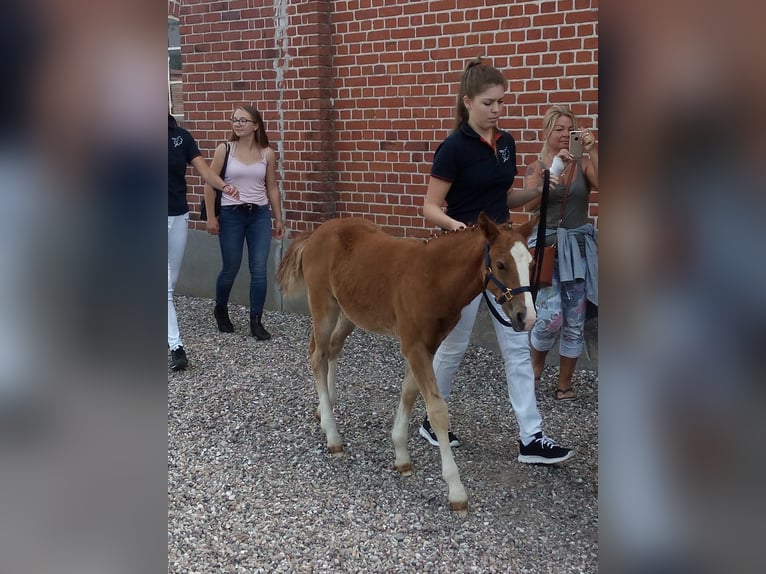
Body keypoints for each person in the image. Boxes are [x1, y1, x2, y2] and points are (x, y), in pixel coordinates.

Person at [420, 58, 574, 464]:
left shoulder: (505, 144)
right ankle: (430, 420)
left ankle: (531, 437)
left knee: (517, 345)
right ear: (468, 101)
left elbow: (502, 199)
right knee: (454, 344)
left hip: (504, 258)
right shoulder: (453, 148)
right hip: (469, 259)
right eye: (489, 102)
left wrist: (537, 191)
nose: (497, 109)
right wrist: (460, 231)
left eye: (501, 102)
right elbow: (431, 207)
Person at [523, 105, 598, 400]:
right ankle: (536, 366)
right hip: (548, 249)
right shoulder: (536, 166)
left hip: (578, 250)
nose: (566, 134)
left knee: (575, 319)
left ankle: (564, 385)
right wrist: (552, 171)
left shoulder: (585, 164)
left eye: (571, 129)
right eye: (559, 129)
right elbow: (528, 206)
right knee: (551, 316)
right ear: (546, 132)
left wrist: (594, 151)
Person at [204, 104, 285, 340]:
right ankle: (221, 309)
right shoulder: (225, 149)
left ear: (256, 125)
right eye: (235, 120)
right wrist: (211, 217)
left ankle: (256, 321)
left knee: (259, 270)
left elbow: (271, 186)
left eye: (243, 120)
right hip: (231, 215)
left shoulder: (267, 153)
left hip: (258, 214)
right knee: (231, 268)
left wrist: (278, 218)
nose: (238, 124)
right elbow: (210, 183)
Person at [168, 113, 240, 370]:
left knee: (171, 282)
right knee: (163, 287)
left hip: (177, 216)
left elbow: (205, 172)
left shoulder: (181, 137)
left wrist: (224, 186)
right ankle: (176, 346)